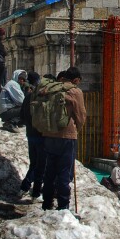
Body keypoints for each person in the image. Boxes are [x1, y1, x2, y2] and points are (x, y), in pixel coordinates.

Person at [40, 67, 86, 211]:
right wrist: (76, 129)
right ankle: (63, 205)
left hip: (49, 134)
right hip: (67, 136)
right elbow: (80, 115)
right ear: (76, 79)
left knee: (50, 171)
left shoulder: (51, 88)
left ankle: (47, 202)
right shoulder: (75, 91)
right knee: (64, 172)